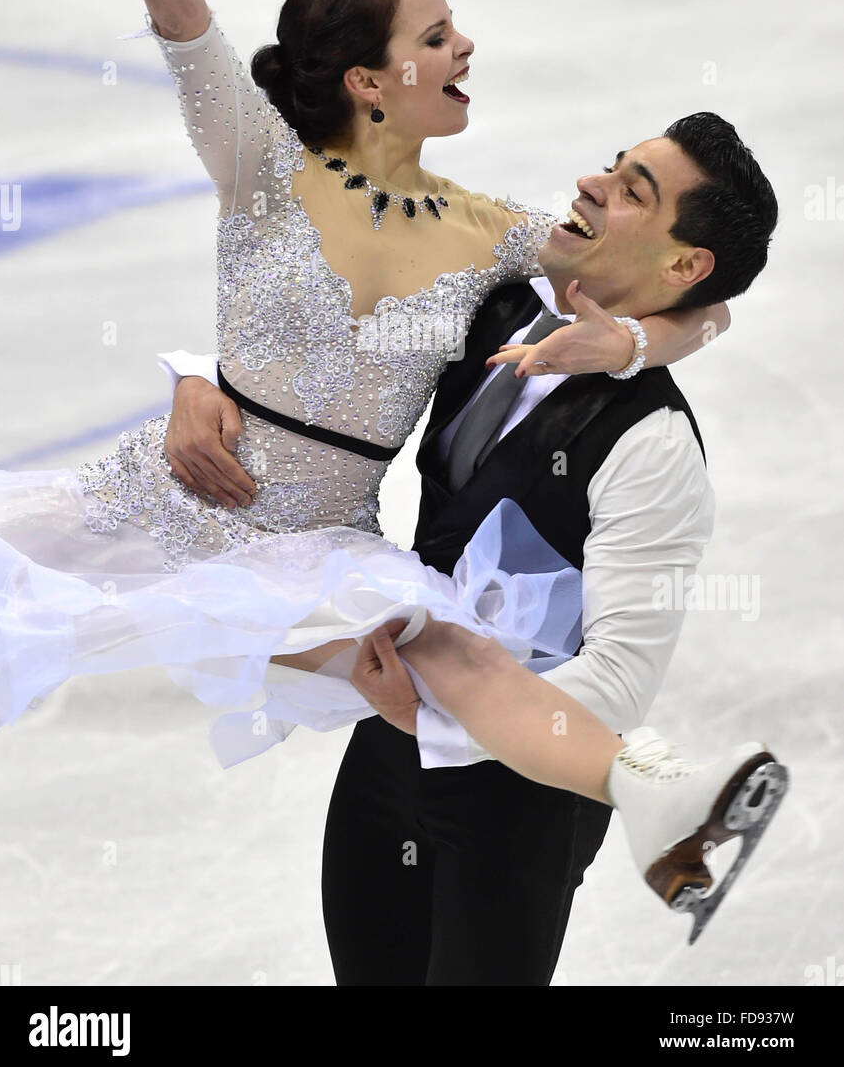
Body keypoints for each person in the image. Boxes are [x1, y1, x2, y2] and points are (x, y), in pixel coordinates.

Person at [0, 0, 782, 961]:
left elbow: (707, 294)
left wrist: (624, 347)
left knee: (449, 650)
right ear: (370, 81)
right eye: (439, 35)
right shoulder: (260, 172)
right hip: (174, 504)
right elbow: (179, 10)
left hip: (315, 550)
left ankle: (659, 796)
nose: (466, 49)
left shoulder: (489, 234)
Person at [164, 115, 786, 981]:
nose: (592, 184)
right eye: (611, 163)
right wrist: (197, 377)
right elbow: (311, 360)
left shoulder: (653, 448)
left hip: (520, 803)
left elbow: (616, 686)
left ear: (684, 265)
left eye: (632, 190)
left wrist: (437, 711)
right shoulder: (492, 303)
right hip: (387, 760)